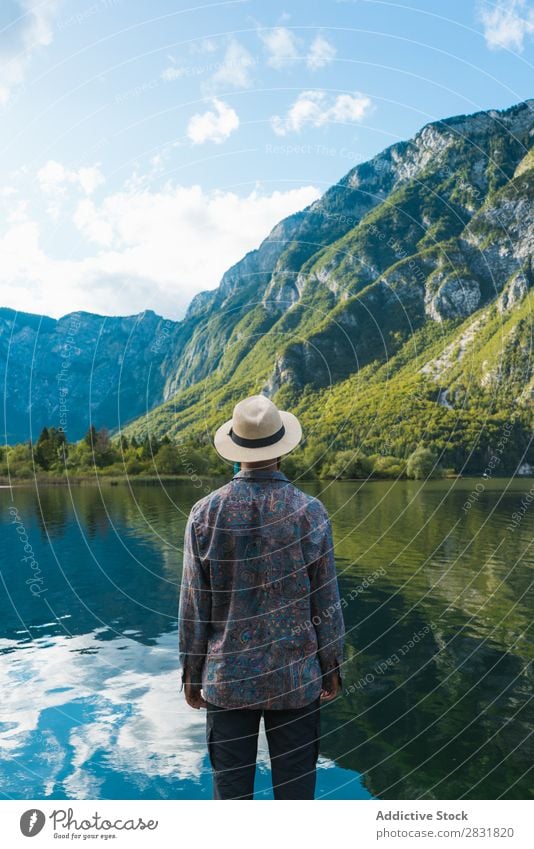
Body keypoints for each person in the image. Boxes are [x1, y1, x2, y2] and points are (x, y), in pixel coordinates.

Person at [178, 394, 345, 800]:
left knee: (232, 801)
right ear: (282, 447)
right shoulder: (310, 512)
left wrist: (190, 673)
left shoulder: (205, 514)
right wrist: (332, 664)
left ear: (236, 448)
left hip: (227, 681)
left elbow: (194, 607)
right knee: (295, 797)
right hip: (297, 679)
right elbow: (327, 601)